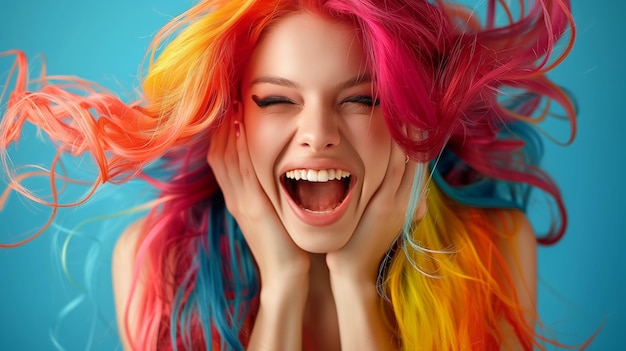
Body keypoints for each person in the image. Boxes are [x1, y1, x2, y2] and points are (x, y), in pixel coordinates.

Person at [0, 0, 579, 350]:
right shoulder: (158, 263)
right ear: (235, 123)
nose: (318, 133)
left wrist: (355, 291)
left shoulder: (494, 251)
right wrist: (281, 288)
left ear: (412, 120)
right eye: (278, 101)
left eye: (363, 101)